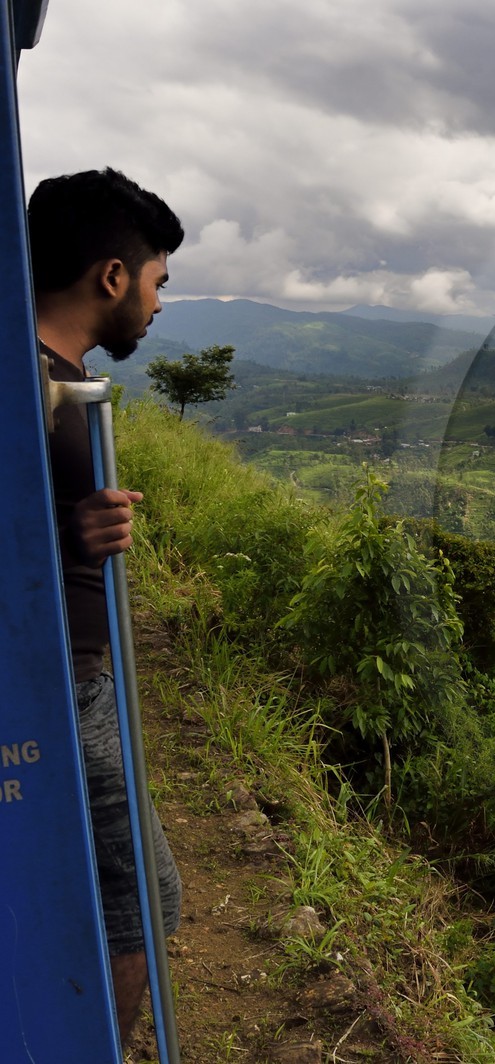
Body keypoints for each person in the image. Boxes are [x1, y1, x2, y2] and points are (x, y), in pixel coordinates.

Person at [29, 167, 184, 1042]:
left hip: (79, 677)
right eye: (158, 280)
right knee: (136, 907)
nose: (160, 304)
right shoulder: (26, 383)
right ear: (113, 276)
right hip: (62, 683)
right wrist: (63, 536)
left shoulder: (53, 374)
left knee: (135, 895)